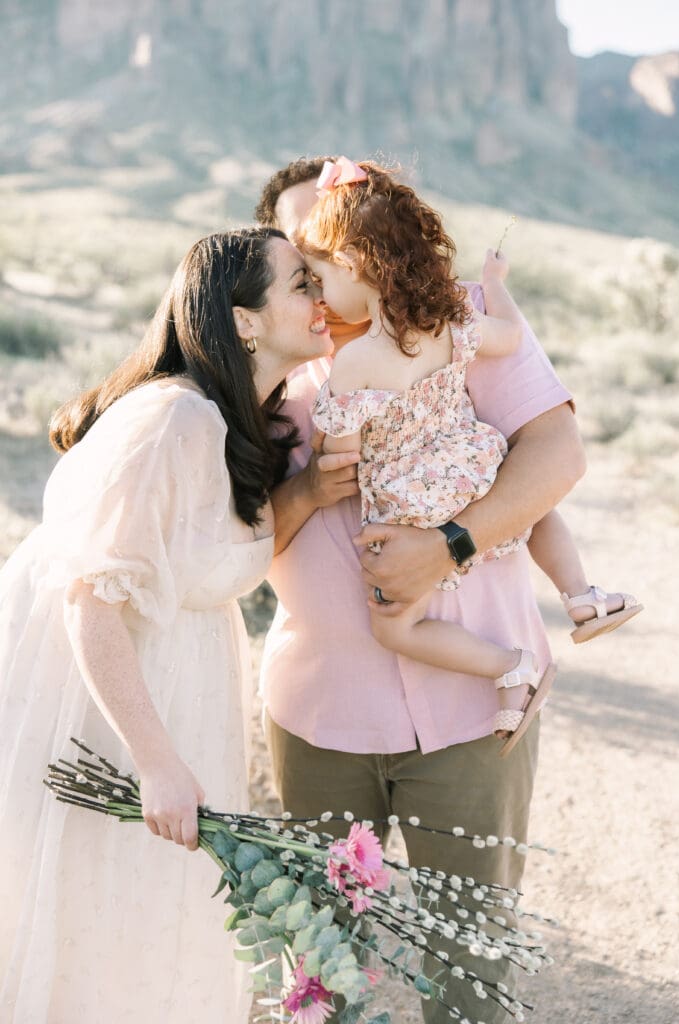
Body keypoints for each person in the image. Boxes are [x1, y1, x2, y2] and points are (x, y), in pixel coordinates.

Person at [255, 157, 586, 1024]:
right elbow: (232, 540)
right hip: (320, 714)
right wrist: (305, 491)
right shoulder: (263, 373)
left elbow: (556, 455)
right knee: (318, 959)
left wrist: (448, 546)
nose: (319, 275)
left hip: (472, 711)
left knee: (470, 960)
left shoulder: (453, 318)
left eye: (333, 248)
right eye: (300, 256)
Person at [0, 227, 332, 1023]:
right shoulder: (172, 419)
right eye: (300, 283)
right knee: (97, 924)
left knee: (142, 925)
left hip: (176, 697)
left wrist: (309, 492)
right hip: (113, 716)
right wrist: (156, 763)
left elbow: (203, 557)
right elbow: (90, 599)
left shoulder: (230, 422)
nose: (320, 297)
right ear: (243, 320)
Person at [300, 158, 641, 754]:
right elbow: (509, 335)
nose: (320, 297)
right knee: (532, 510)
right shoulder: (451, 323)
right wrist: (496, 283)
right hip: (470, 462)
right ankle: (582, 596)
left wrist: (326, 438)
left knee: (395, 626)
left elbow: (343, 459)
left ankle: (508, 666)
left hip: (411, 500)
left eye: (320, 278)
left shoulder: (355, 361)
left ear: (351, 265)